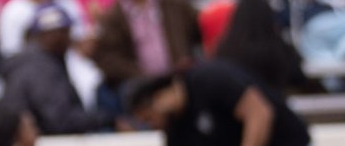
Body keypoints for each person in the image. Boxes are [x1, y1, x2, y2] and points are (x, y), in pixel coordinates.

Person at [0, 3, 116, 135]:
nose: (68, 37)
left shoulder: (43, 61)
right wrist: (109, 120)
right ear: (44, 35)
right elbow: (60, 121)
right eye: (63, 32)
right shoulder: (39, 67)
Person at [127, 59, 312, 146]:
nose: (152, 125)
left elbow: (260, 114)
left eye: (148, 118)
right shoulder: (177, 132)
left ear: (159, 98)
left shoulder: (208, 79)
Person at [90, 0, 200, 91]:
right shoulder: (114, 16)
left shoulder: (172, 3)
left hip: (180, 78)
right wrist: (140, 75)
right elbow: (106, 58)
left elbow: (200, 26)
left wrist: (188, 59)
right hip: (142, 86)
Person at [213, 0, 307, 95]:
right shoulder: (278, 48)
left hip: (238, 108)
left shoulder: (226, 49)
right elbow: (299, 77)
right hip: (273, 105)